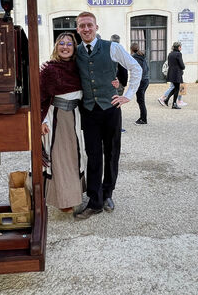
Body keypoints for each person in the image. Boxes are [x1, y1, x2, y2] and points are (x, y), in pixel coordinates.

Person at [73, 11, 142, 220]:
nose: (86, 29)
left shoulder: (113, 47)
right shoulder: (75, 52)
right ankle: (94, 200)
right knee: (93, 155)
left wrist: (127, 95)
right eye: (82, 26)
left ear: (96, 27)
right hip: (89, 111)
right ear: (77, 29)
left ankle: (108, 193)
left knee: (112, 153)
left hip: (111, 109)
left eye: (89, 25)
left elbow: (135, 67)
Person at [39, 33, 88, 212]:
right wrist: (41, 120)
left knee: (75, 156)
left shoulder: (79, 67)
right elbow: (39, 96)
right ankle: (63, 199)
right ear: (56, 47)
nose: (65, 47)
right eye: (62, 43)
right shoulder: (48, 69)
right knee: (59, 157)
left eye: (69, 44)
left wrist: (114, 83)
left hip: (76, 116)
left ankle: (73, 195)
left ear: (74, 48)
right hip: (56, 117)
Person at [130, 42, 150, 124]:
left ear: (131, 49)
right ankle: (143, 117)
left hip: (141, 81)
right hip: (146, 80)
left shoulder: (134, 58)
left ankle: (143, 119)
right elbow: (147, 69)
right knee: (141, 100)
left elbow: (136, 71)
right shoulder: (142, 56)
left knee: (141, 100)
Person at [163, 42, 185, 109]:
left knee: (175, 88)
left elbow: (169, 64)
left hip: (171, 72)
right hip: (177, 73)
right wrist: (183, 67)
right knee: (177, 88)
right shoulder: (178, 54)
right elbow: (181, 64)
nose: (181, 48)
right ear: (178, 47)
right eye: (180, 47)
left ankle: (166, 100)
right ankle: (174, 104)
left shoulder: (170, 54)